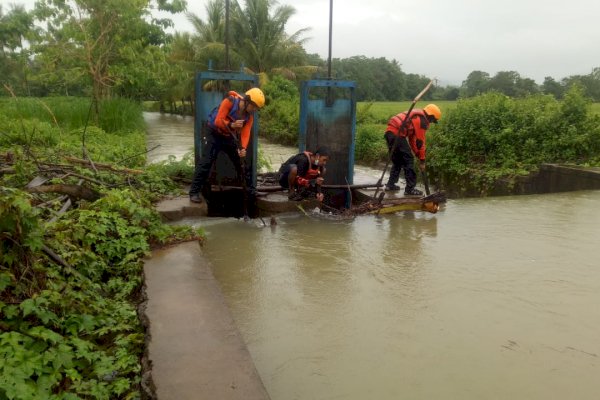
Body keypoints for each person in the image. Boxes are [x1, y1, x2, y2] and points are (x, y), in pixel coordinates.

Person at [189, 87, 265, 203]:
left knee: (242, 163)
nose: (254, 109)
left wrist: (242, 149)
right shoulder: (229, 101)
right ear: (247, 101)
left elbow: (245, 134)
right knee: (206, 162)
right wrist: (232, 125)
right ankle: (194, 192)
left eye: (256, 108)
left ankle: (250, 190)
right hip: (214, 133)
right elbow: (218, 121)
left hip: (229, 136)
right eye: (253, 106)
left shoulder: (249, 117)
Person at [383, 103, 441, 196]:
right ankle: (410, 189)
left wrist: (418, 154)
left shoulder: (417, 117)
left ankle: (390, 185)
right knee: (409, 160)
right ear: (430, 116)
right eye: (433, 120)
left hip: (389, 134)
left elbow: (412, 140)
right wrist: (422, 160)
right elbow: (420, 142)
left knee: (397, 161)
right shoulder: (422, 121)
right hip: (397, 135)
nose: (431, 122)